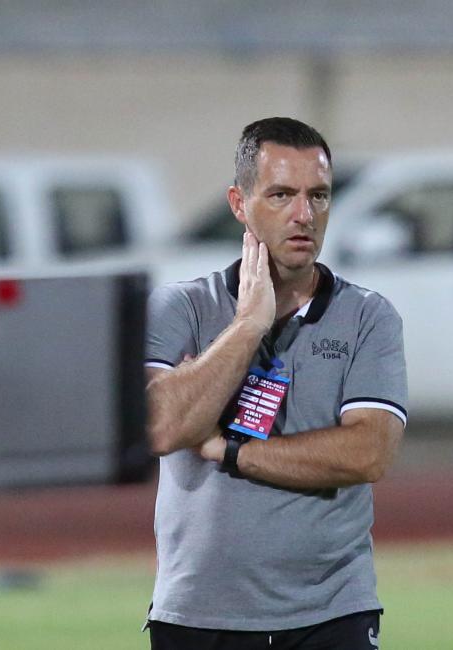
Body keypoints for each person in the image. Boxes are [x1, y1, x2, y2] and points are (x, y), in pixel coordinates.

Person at [142, 117, 407, 649]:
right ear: (239, 204)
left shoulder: (367, 317)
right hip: (198, 616)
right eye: (282, 194)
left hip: (330, 615)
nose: (304, 214)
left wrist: (230, 450)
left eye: (319, 195)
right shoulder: (182, 308)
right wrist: (248, 326)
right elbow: (163, 428)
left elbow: (368, 453)